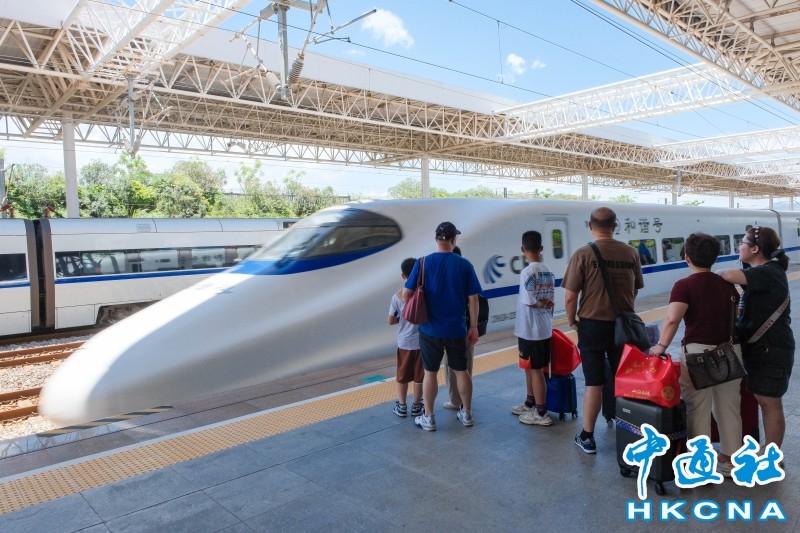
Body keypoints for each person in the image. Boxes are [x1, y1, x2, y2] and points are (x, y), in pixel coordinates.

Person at [649, 233, 742, 476]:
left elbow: (672, 319)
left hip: (698, 354)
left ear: (687, 257)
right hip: (730, 351)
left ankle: (701, 464)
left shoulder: (684, 285)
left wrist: (661, 345)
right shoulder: (727, 284)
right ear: (715, 258)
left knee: (697, 408)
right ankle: (729, 460)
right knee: (729, 406)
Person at [562, 207, 644, 454]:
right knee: (625, 379)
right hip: (623, 326)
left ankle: (587, 437)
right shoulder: (631, 253)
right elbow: (634, 289)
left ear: (590, 226)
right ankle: (631, 432)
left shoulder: (583, 254)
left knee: (593, 383)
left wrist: (572, 321)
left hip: (592, 325)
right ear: (615, 226)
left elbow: (570, 296)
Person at [718, 226, 794, 449]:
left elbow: (728, 275)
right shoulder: (766, 271)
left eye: (742, 243)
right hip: (766, 347)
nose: (738, 247)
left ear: (755, 249)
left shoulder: (767, 272)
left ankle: (772, 455)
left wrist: (709, 275)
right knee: (765, 401)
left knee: (769, 403)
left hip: (771, 348)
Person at [402, 221, 482, 431]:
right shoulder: (464, 264)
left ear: (436, 239)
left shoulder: (422, 263)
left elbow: (406, 294)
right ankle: (466, 413)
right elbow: (473, 299)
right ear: (454, 240)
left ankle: (429, 417)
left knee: (430, 373)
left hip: (430, 329)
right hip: (456, 329)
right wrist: (473, 327)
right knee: (461, 371)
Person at [512, 231, 555, 426]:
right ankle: (530, 402)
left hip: (530, 329)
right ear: (541, 248)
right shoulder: (548, 271)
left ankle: (541, 412)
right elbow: (551, 301)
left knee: (536, 370)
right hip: (543, 327)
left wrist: (539, 303)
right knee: (529, 367)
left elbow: (529, 300)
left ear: (522, 249)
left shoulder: (527, 272)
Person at [388, 257, 424, 419]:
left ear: (403, 276)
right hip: (422, 342)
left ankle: (402, 406)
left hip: (404, 342)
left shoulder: (397, 297)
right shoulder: (425, 293)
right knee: (419, 376)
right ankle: (417, 405)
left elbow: (391, 321)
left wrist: (402, 318)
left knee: (402, 376)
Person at [442, 246, 474, 411]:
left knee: (451, 366)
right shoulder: (466, 271)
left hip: (452, 329)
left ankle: (456, 401)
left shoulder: (446, 277)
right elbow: (475, 299)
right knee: (466, 365)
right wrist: (474, 327)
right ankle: (466, 402)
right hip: (467, 327)